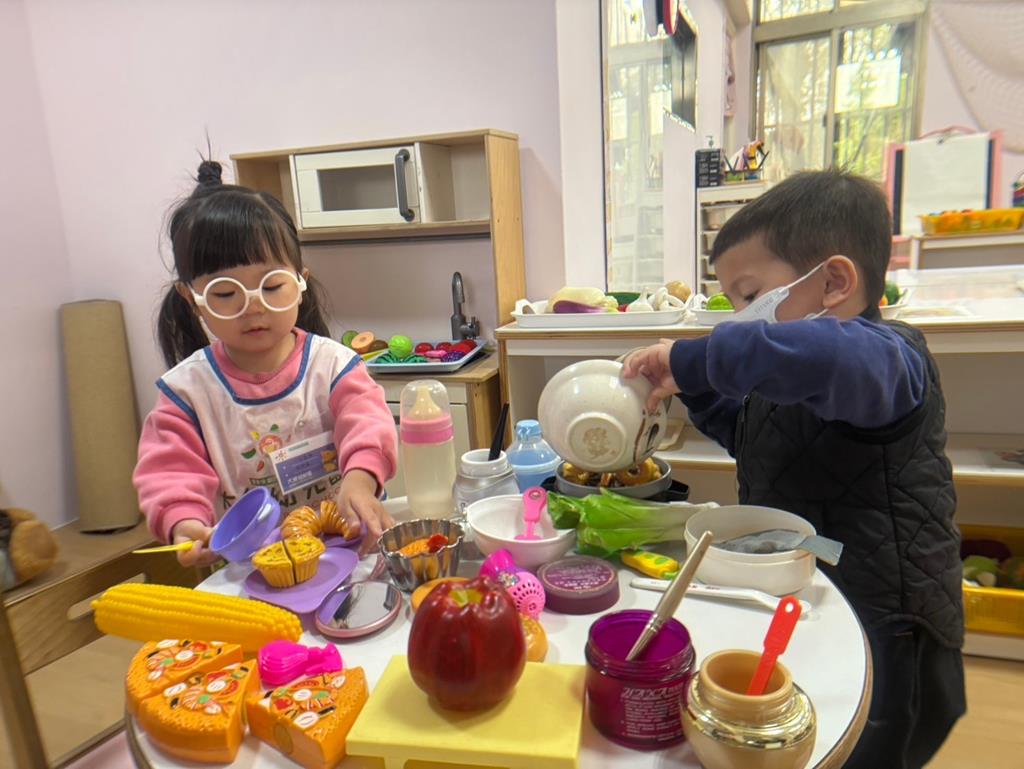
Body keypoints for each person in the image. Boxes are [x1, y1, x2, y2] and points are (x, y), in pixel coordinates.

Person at [625, 170, 964, 769]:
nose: (740, 319)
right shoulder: (792, 379)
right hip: (818, 597)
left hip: (893, 625)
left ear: (834, 282)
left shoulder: (889, 359)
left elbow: (828, 359)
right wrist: (695, 388)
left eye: (751, 296)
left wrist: (700, 356)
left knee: (865, 748)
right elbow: (754, 436)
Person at [134, 161, 397, 565]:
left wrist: (360, 481)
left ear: (300, 281)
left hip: (346, 553)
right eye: (226, 293)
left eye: (272, 286)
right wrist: (184, 522)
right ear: (192, 299)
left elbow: (368, 427)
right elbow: (171, 472)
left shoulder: (333, 366)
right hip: (253, 568)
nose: (253, 306)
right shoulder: (187, 393)